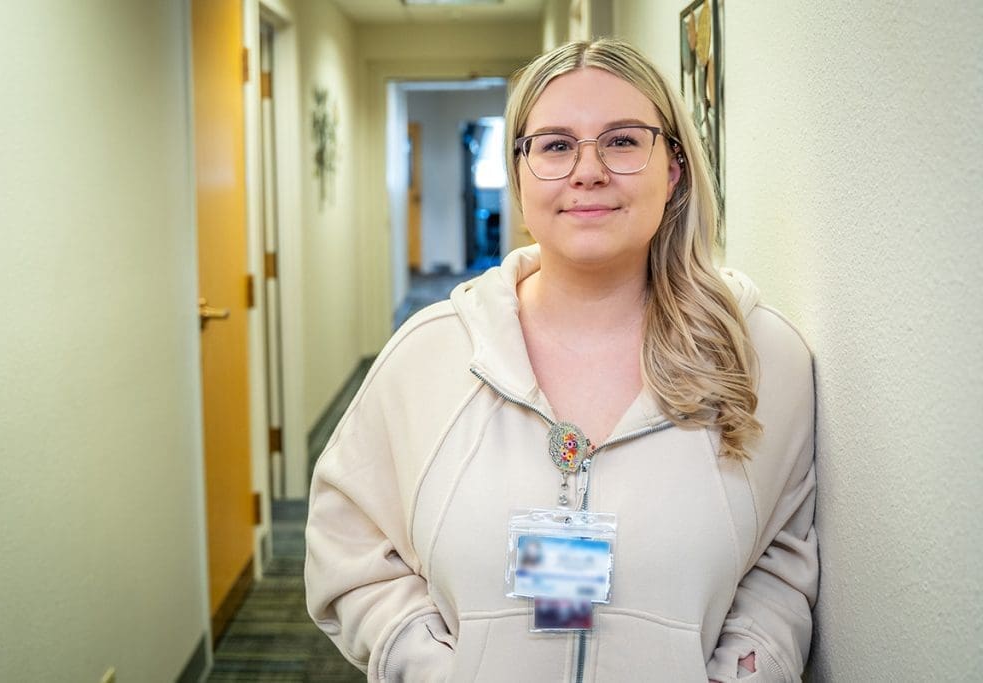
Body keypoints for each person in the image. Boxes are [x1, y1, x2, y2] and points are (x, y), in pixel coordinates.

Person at [305, 38, 817, 682]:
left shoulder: (761, 361)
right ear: (519, 174)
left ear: (675, 167)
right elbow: (347, 541)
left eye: (624, 141)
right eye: (554, 145)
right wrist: (428, 667)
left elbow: (781, 563)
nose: (588, 170)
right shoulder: (431, 354)